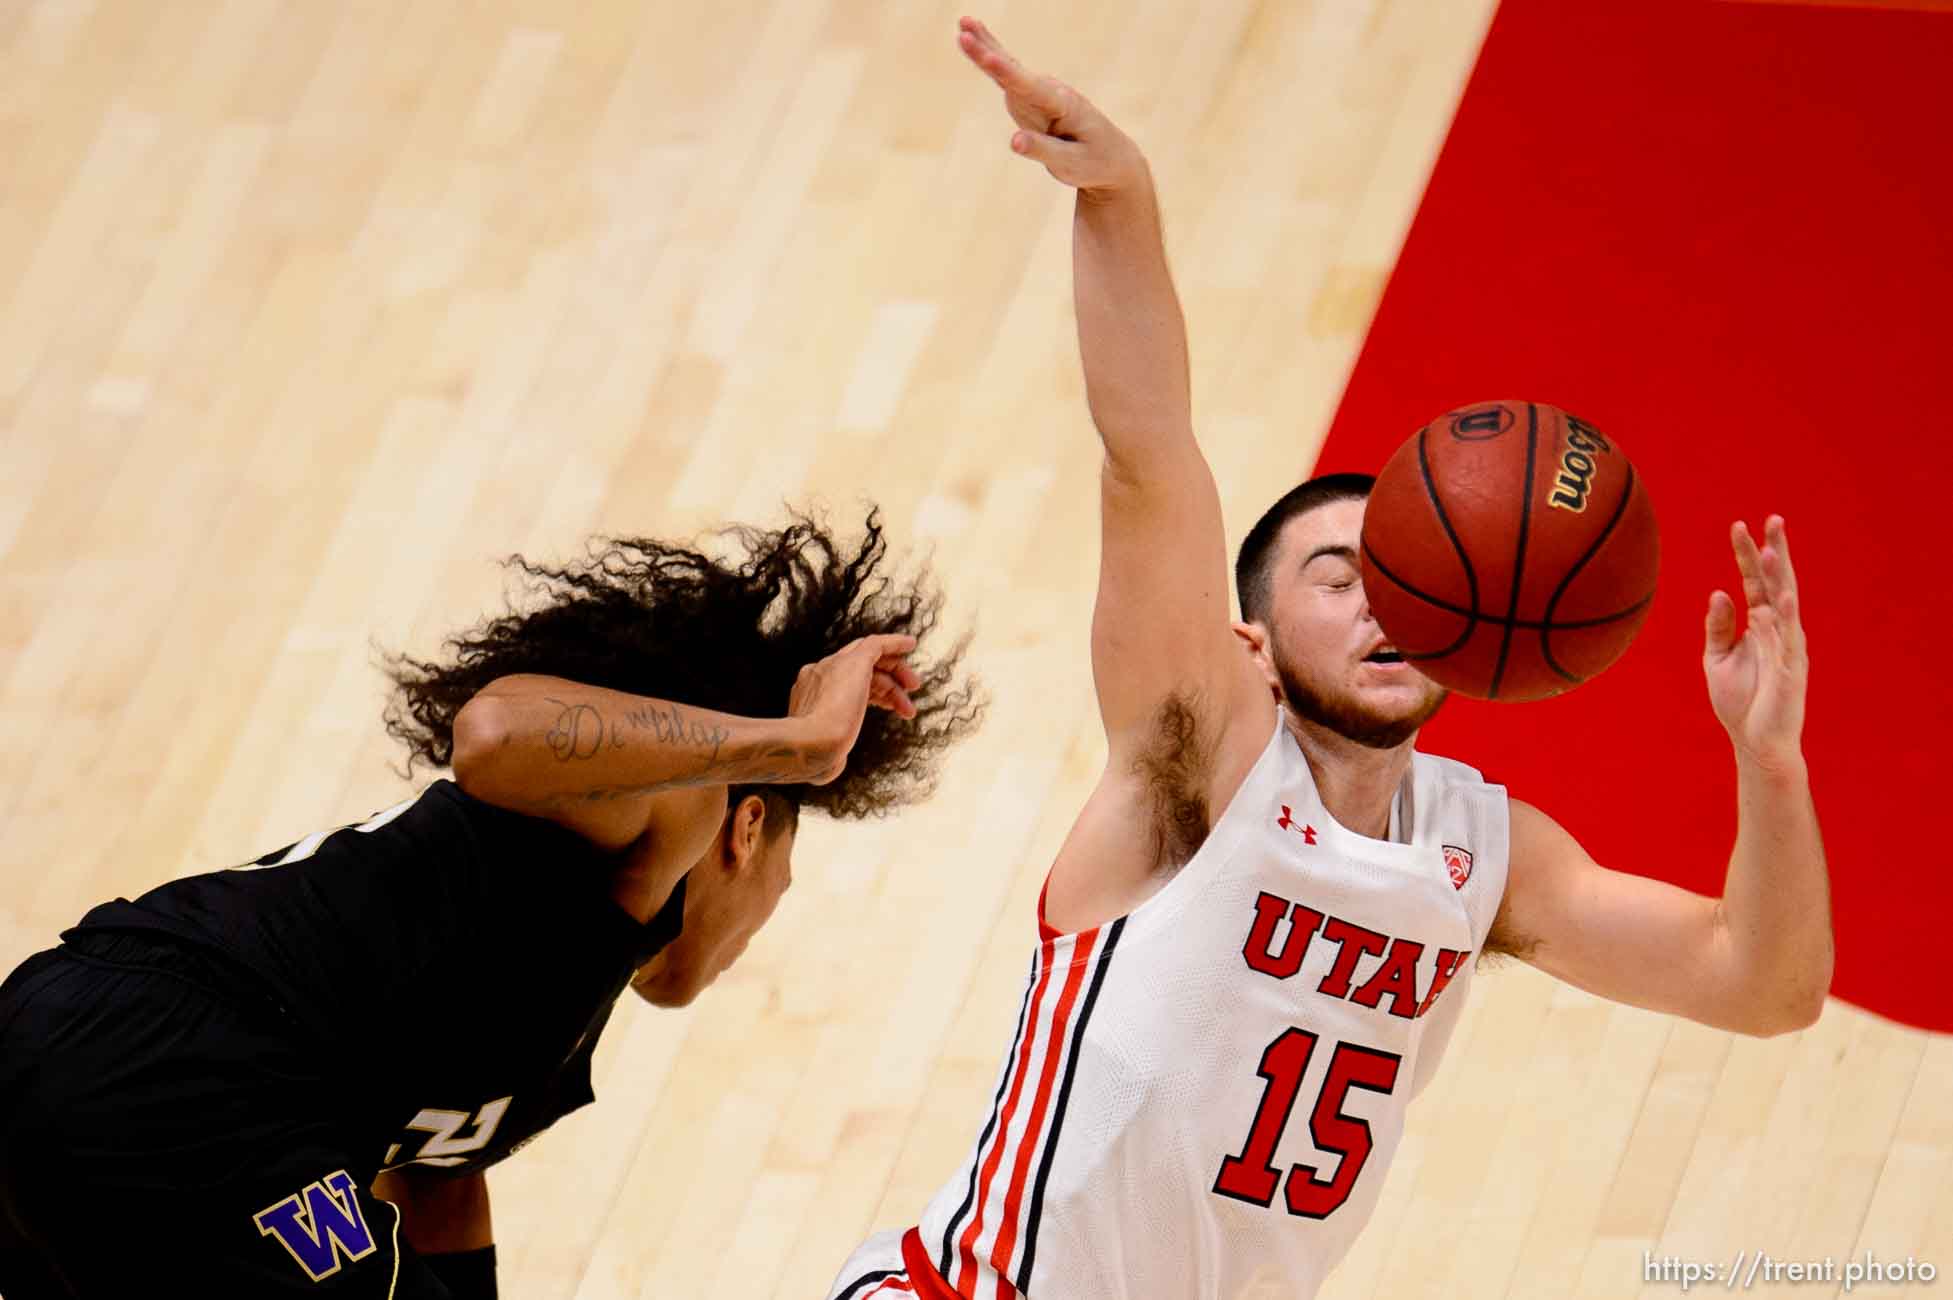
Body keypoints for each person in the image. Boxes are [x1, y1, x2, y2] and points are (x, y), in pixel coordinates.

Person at [824, 20, 1832, 1299]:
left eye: (1409, 574)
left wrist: (1772, 764)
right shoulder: (1201, 756)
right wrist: (1123, 201)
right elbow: (1149, 453)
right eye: (1340, 575)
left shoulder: (1487, 851)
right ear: (1248, 640)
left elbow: (1764, 985)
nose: (1385, 603)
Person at [0, 509, 981, 1299]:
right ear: (751, 826)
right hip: (193, 1072)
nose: (774, 901)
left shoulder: (529, 1029)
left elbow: (435, 1176)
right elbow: (496, 728)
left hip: (65, 1050)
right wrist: (795, 742)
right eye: (788, 860)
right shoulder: (647, 831)